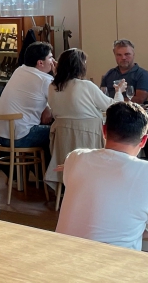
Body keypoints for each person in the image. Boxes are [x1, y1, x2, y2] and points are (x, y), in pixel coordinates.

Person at [56, 102, 148, 250]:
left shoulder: (75, 157)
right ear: (144, 140)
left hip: (61, 255)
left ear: (104, 130)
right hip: (112, 261)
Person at [44, 48, 118, 186]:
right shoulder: (86, 86)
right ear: (80, 66)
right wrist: (119, 91)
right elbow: (113, 107)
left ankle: (66, 187)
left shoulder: (53, 87)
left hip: (63, 139)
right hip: (88, 138)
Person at [0, 41, 54, 155]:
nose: (53, 61)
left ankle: (40, 166)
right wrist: (58, 73)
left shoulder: (19, 70)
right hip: (21, 137)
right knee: (57, 131)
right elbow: (60, 103)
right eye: (50, 57)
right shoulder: (45, 80)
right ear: (40, 62)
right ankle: (52, 167)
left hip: (1, 137)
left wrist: (46, 107)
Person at [99, 39, 148, 104]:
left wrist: (116, 100)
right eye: (119, 55)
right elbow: (101, 97)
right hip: (110, 109)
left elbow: (139, 99)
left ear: (133, 54)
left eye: (127, 54)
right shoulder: (109, 74)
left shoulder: (142, 74)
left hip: (132, 109)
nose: (123, 58)